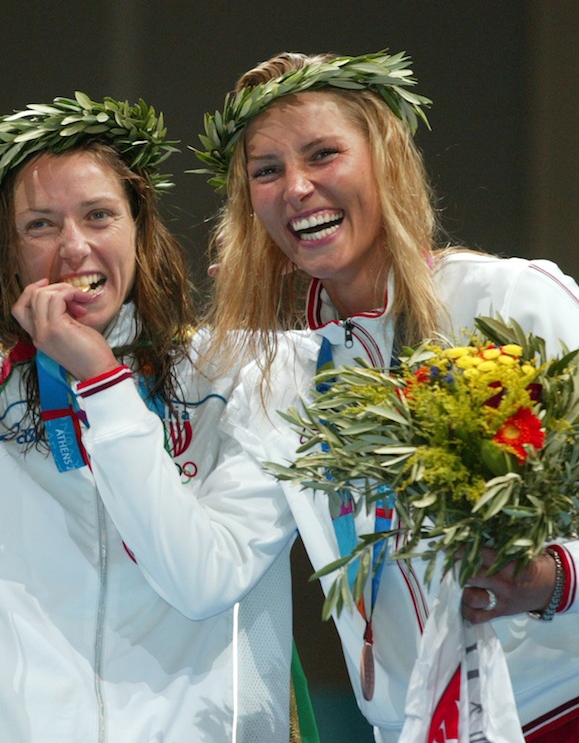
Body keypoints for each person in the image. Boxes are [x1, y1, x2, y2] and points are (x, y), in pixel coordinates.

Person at [188, 51, 579, 741]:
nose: (296, 187)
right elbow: (207, 566)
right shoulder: (286, 381)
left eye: (323, 154)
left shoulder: (508, 301)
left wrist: (554, 578)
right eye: (266, 170)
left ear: (386, 159)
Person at [0, 94, 309, 741]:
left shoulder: (245, 376)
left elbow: (201, 582)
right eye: (40, 225)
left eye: (99, 215)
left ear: (138, 230)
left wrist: (100, 378)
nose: (75, 247)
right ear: (7, 254)